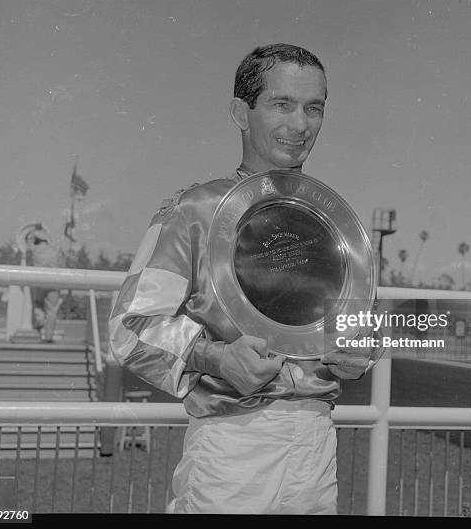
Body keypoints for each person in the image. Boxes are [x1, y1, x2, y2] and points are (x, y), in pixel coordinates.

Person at [109, 43, 372, 514]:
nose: (300, 124)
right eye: (281, 104)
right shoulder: (194, 210)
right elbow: (130, 328)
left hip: (318, 446)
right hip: (232, 449)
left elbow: (359, 330)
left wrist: (358, 353)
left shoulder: (332, 223)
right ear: (240, 112)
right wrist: (215, 357)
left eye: (314, 107)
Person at [24, 223, 63, 343]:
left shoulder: (34, 249)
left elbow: (28, 241)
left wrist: (35, 230)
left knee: (37, 305)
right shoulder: (55, 251)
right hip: (54, 283)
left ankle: (39, 327)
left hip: (38, 282)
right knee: (52, 311)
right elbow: (62, 266)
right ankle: (49, 337)